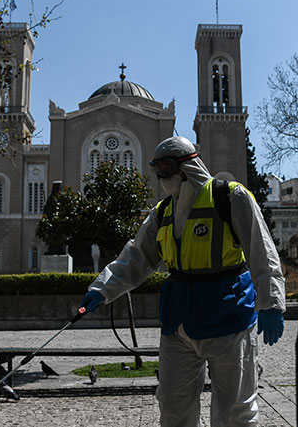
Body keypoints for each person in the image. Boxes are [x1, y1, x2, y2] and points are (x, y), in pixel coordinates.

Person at [79, 136, 285, 427]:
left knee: (234, 410)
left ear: (187, 165)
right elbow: (136, 257)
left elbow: (261, 252)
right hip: (178, 320)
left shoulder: (231, 197)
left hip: (228, 316)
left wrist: (271, 303)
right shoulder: (163, 212)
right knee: (173, 407)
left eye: (166, 166)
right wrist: (102, 289)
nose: (162, 175)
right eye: (157, 167)